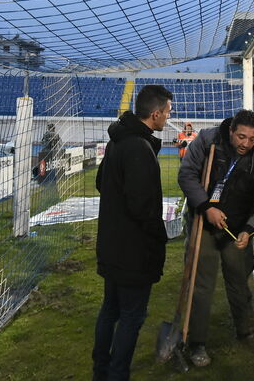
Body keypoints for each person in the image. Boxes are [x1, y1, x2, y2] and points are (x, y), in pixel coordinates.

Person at [177, 109, 254, 367]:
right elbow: (186, 175)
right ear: (231, 130)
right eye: (241, 136)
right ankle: (196, 342)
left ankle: (246, 330)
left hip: (237, 229)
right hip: (204, 224)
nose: (245, 143)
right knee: (202, 284)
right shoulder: (208, 141)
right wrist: (206, 206)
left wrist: (250, 229)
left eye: (252, 138)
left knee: (239, 280)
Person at [92, 85, 173, 381]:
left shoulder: (118, 142)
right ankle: (116, 374)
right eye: (166, 112)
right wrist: (159, 236)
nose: (167, 117)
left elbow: (102, 182)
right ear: (154, 114)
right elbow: (143, 208)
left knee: (110, 310)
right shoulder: (138, 147)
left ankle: (100, 372)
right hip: (132, 252)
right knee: (130, 317)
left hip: (111, 245)